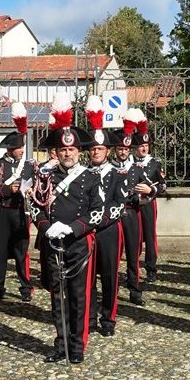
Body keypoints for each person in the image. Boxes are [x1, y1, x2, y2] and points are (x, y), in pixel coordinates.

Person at [28, 94, 103, 364]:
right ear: (56, 152)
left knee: (79, 297)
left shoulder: (90, 177)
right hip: (53, 244)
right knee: (57, 297)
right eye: (62, 150)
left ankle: (78, 344)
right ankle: (60, 344)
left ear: (78, 151)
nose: (67, 153)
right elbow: (34, 205)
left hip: (79, 244)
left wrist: (72, 228)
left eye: (71, 150)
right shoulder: (45, 176)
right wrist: (46, 226)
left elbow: (98, 213)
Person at [82, 95, 130, 338]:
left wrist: (97, 221)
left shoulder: (117, 174)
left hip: (109, 230)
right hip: (87, 233)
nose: (96, 152)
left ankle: (108, 318)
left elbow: (119, 204)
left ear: (108, 150)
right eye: (92, 149)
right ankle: (89, 318)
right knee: (88, 276)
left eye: (100, 148)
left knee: (110, 276)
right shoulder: (82, 175)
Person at [0, 102, 35, 303]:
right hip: (2, 212)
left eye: (22, 147)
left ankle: (26, 288)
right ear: (10, 149)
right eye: (18, 148)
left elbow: (37, 185)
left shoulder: (30, 166)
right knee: (1, 251)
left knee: (21, 251)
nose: (22, 150)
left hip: (20, 212)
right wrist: (7, 190)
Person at [119, 108, 164, 305]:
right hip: (128, 207)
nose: (144, 149)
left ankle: (151, 267)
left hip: (147, 203)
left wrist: (150, 190)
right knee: (132, 245)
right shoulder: (127, 164)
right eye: (141, 145)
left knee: (149, 235)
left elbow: (161, 185)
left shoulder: (154, 163)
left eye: (147, 145)